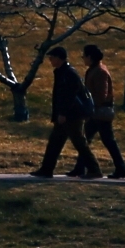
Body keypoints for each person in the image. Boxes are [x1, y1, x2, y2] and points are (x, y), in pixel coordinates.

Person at [33, 46, 96, 179]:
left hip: (72, 116)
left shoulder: (68, 73)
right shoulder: (62, 72)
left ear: (59, 58)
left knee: (79, 143)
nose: (50, 59)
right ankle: (46, 169)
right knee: (55, 142)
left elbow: (69, 96)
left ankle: (94, 169)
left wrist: (63, 113)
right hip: (66, 115)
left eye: (52, 57)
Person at [80, 43, 125, 179]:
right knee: (85, 140)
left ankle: (120, 169)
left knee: (104, 141)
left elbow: (101, 95)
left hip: (99, 113)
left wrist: (91, 106)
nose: (83, 58)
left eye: (84, 56)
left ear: (90, 57)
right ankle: (80, 168)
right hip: (96, 112)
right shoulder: (94, 69)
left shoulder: (100, 72)